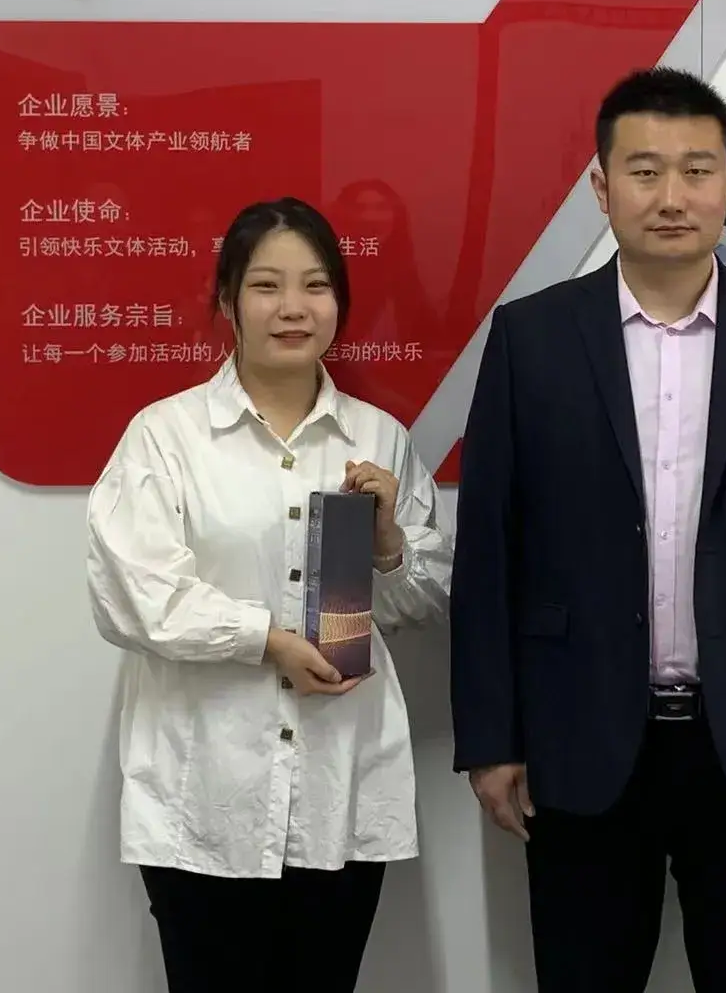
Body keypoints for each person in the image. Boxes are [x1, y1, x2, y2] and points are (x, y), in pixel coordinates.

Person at [450, 66, 726, 993]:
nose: (672, 196)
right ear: (602, 187)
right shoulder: (532, 339)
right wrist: (490, 737)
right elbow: (489, 552)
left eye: (697, 170)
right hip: (580, 738)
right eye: (645, 172)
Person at [86, 197, 453, 993]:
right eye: (267, 286)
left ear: (339, 303)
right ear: (228, 300)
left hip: (337, 791)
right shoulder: (166, 436)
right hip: (205, 794)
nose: (293, 307)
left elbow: (424, 601)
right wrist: (267, 640)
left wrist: (389, 544)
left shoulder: (378, 438)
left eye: (316, 286)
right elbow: (135, 594)